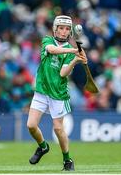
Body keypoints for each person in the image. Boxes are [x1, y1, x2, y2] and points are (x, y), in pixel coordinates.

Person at [27, 15, 87, 171]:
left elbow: (63, 73)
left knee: (58, 129)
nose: (64, 31)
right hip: (42, 90)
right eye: (61, 28)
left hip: (58, 93)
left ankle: (67, 160)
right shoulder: (47, 41)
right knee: (31, 125)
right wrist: (75, 50)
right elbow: (52, 50)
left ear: (70, 32)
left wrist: (75, 59)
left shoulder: (69, 52)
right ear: (55, 29)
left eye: (67, 29)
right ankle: (43, 147)